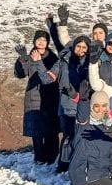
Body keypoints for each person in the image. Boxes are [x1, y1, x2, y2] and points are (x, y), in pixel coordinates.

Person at [35, 35, 90, 172]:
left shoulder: (91, 63)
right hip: (66, 105)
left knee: (84, 136)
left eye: (84, 47)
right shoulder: (63, 60)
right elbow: (47, 79)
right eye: (78, 46)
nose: (81, 49)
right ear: (74, 46)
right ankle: (64, 165)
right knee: (68, 136)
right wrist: (38, 63)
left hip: (85, 105)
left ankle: (82, 164)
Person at [69, 91, 112, 185]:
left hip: (100, 168)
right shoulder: (84, 124)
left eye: (104, 106)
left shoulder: (110, 125)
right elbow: (82, 115)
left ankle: (107, 181)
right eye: (96, 106)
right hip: (84, 173)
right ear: (91, 106)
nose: (101, 110)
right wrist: (83, 101)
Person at [15, 30, 60, 164]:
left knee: (52, 129)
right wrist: (22, 58)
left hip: (51, 95)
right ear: (34, 41)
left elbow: (53, 76)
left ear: (47, 42)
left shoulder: (53, 58)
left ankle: (52, 157)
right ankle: (39, 158)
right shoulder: (28, 57)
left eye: (44, 40)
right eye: (38, 39)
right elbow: (21, 74)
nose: (41, 42)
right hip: (33, 95)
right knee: (37, 130)